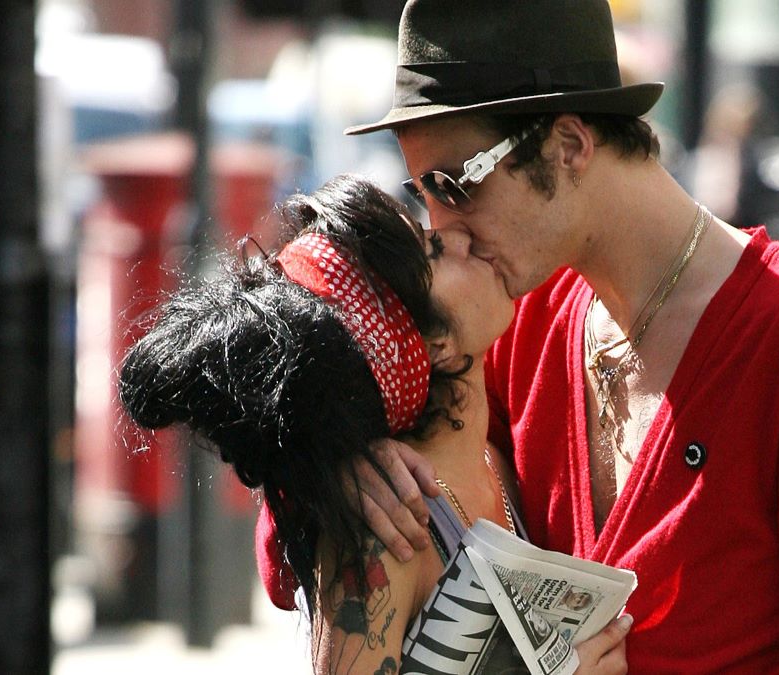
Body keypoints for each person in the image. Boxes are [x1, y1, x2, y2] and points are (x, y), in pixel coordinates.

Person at [262, 1, 779, 672]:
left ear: (568, 145)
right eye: (422, 190)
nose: (442, 225)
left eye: (456, 185)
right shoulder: (517, 317)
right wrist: (347, 461)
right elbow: (286, 566)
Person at [118, 174, 630, 674]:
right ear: (431, 347)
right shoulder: (387, 528)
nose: (455, 233)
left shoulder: (493, 456)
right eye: (433, 252)